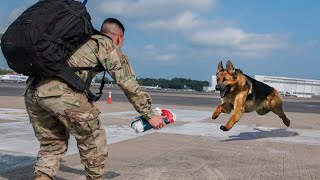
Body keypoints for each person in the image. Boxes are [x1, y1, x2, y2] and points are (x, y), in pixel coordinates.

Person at [24, 18, 166, 180]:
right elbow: (128, 83)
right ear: (119, 38)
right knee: (93, 138)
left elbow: (74, 74)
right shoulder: (106, 44)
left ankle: (42, 177)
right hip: (60, 93)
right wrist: (149, 114)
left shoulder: (79, 41)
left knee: (52, 144)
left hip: (33, 91)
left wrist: (86, 101)